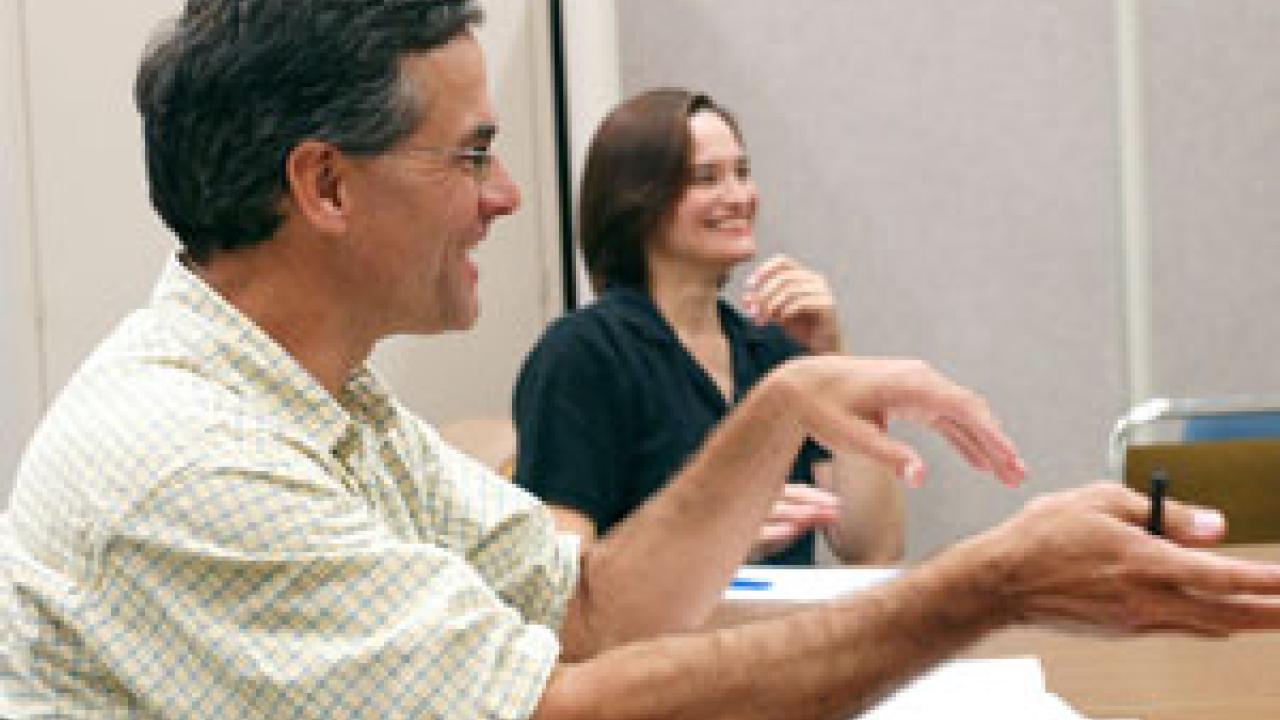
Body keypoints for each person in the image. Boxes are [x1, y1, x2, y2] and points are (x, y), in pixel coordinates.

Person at [5, 2, 1280, 719]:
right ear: (323, 185)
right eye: (468, 155)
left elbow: (588, 610)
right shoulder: (180, 455)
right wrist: (984, 589)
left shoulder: (330, 405)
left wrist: (778, 395)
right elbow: (561, 713)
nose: (508, 195)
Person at [514, 89, 903, 565]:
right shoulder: (583, 353)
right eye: (706, 178)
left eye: (742, 172)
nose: (738, 197)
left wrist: (833, 361)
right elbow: (561, 575)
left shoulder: (774, 353)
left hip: (777, 637)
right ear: (638, 201)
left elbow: (876, 547)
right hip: (655, 641)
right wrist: (709, 543)